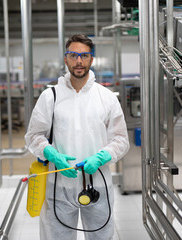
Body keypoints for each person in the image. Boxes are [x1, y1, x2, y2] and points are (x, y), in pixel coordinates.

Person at [25, 34, 129, 240]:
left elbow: (121, 140)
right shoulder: (51, 96)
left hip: (98, 184)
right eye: (73, 55)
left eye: (84, 55)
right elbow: (34, 135)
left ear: (92, 59)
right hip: (59, 187)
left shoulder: (106, 97)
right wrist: (50, 153)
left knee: (101, 237)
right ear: (66, 59)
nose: (78, 61)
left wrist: (101, 157)